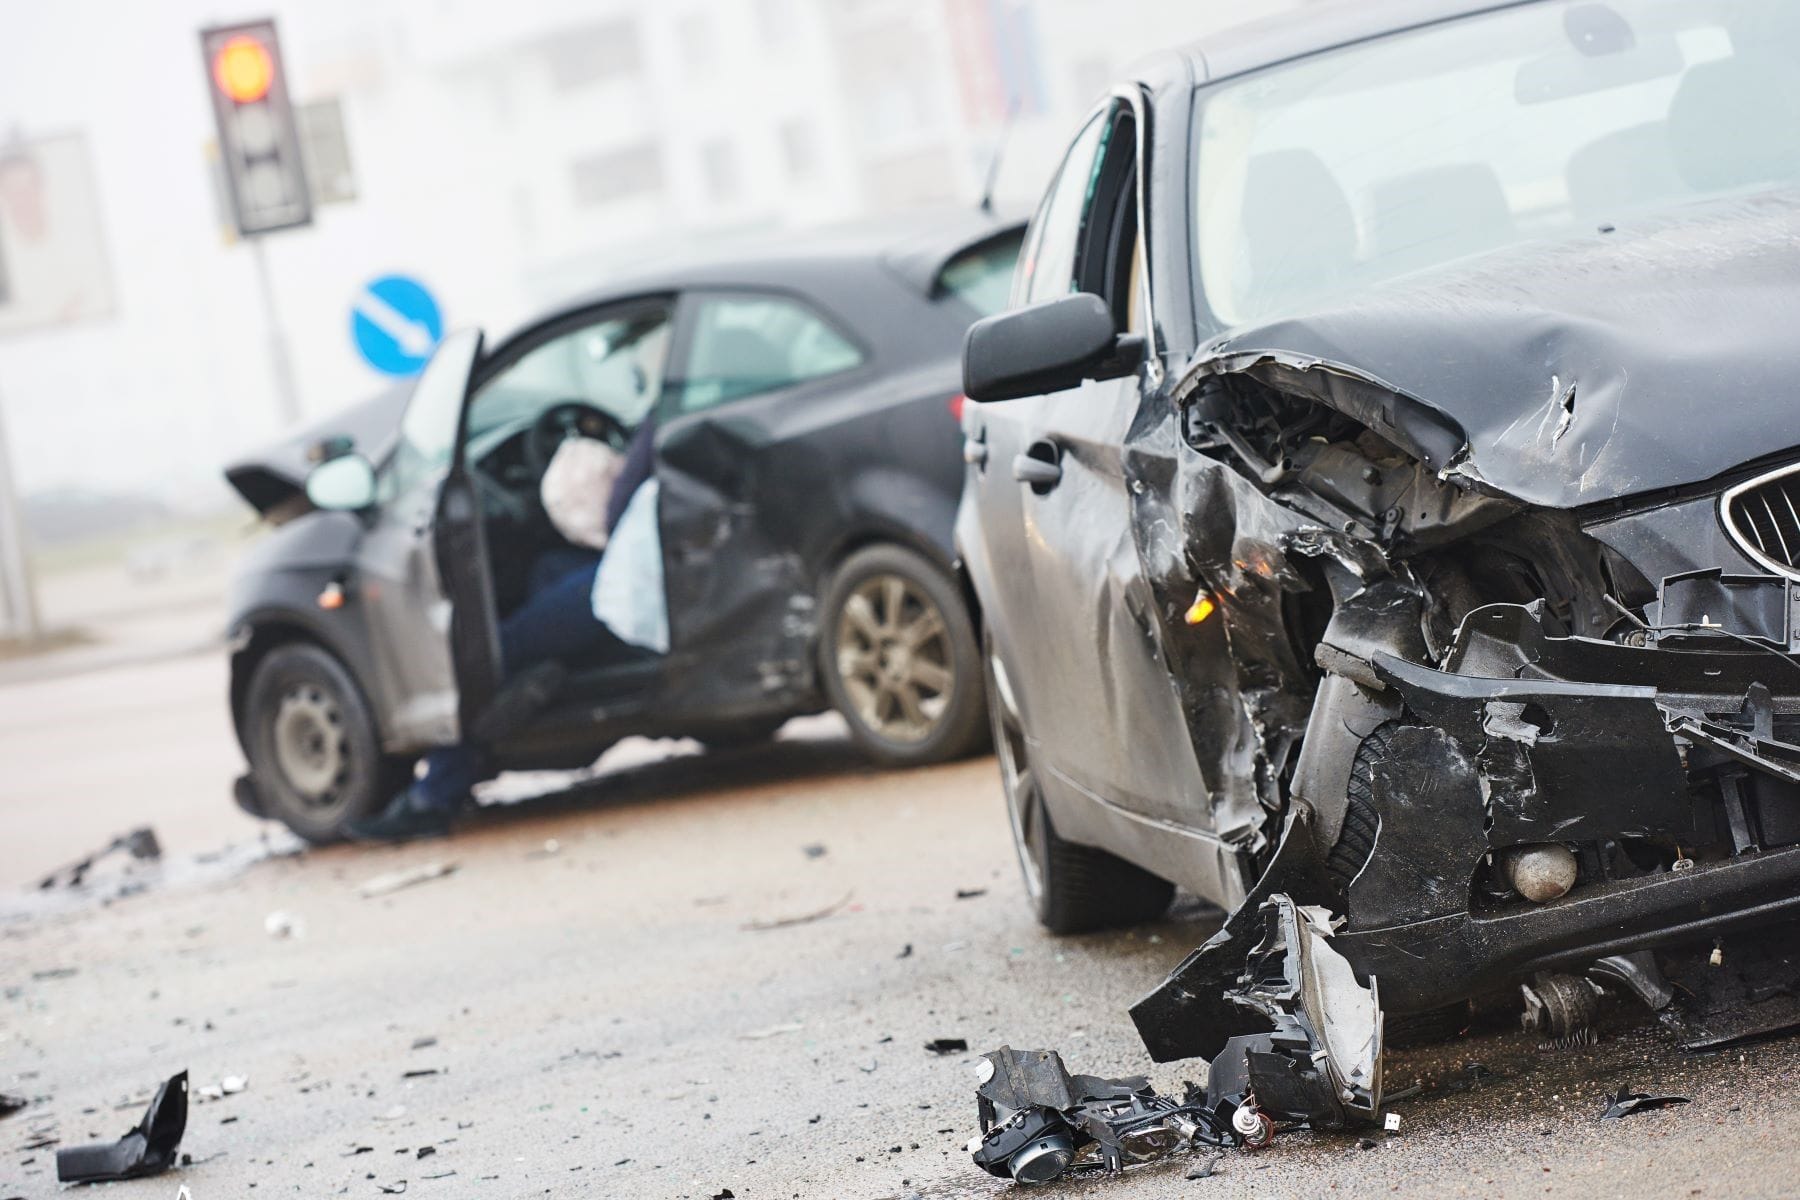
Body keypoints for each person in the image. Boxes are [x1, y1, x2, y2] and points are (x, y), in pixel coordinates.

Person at [346, 419, 659, 842]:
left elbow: (617, 510)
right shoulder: (676, 408)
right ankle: (550, 670)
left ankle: (434, 796)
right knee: (547, 568)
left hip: (629, 575)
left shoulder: (670, 410)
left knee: (490, 652)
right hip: (636, 558)